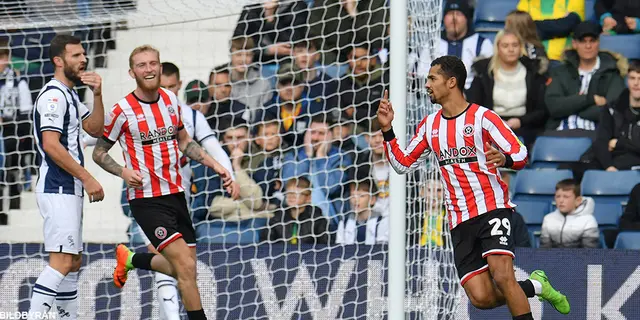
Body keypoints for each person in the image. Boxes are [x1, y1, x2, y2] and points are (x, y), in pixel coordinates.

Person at [377, 55, 570, 319]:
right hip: (459, 218)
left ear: (452, 82)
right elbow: (402, 164)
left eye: (432, 78)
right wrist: (388, 130)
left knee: (503, 276)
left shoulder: (484, 118)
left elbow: (522, 153)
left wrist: (505, 159)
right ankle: (537, 286)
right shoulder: (429, 125)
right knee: (481, 298)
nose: (427, 85)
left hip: (492, 207)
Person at [91, 45, 239, 320]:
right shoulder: (122, 110)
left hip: (177, 196)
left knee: (186, 269)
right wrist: (123, 172)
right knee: (184, 265)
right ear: (131, 72)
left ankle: (131, 259)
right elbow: (98, 152)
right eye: (141, 65)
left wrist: (218, 166)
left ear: (160, 66)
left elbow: (184, 142)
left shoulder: (171, 100)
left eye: (153, 63)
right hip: (147, 200)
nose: (148, 69)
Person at [28, 34, 106, 320]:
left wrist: (97, 94)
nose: (83, 59)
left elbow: (96, 129)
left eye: (83, 54)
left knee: (73, 262)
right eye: (76, 55)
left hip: (68, 188)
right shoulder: (53, 95)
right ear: (58, 61)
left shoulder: (70, 94)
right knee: (61, 262)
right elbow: (50, 144)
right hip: (57, 186)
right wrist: (87, 177)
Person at [467, 29, 548, 147]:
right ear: (498, 48)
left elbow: (541, 110)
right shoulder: (484, 73)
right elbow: (474, 106)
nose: (511, 50)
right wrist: (494, 123)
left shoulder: (533, 72)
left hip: (525, 127)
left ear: (520, 47)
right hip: (489, 127)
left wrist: (520, 121)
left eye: (515, 45)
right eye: (505, 46)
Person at [544, 21, 627, 135]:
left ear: (598, 42)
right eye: (583, 41)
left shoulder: (612, 73)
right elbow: (554, 107)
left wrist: (571, 107)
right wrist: (590, 100)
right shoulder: (560, 72)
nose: (588, 46)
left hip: (596, 135)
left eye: (592, 41)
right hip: (559, 132)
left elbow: (612, 112)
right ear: (574, 44)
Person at [0, 38, 33, 214]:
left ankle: (12, 206)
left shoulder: (19, 81)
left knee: (11, 167)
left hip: (10, 131)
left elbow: (26, 109)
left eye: (2, 57)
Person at [261, 176, 329, 245]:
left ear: (308, 198)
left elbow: (325, 244)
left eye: (296, 194)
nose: (291, 196)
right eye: (289, 192)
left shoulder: (316, 218)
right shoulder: (278, 216)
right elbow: (266, 243)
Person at [540, 179, 599, 248]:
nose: (561, 200)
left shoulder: (588, 220)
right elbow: (544, 249)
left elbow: (589, 252)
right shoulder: (548, 219)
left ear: (578, 201)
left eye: (566, 197)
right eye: (558, 196)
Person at [335, 178, 389, 245]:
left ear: (372, 199)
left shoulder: (382, 222)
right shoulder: (344, 223)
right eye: (352, 195)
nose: (356, 199)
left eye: (361, 196)